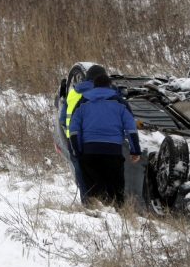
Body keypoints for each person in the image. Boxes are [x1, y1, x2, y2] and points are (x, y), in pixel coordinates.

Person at [68, 74, 141, 206]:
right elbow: (131, 128)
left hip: (89, 152)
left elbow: (74, 130)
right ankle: (117, 216)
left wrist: (78, 151)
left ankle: (97, 217)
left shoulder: (83, 102)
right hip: (113, 153)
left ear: (94, 86)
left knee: (93, 192)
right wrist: (135, 150)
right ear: (110, 86)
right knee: (115, 190)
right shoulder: (120, 102)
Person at [58, 64, 108, 198]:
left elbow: (63, 119)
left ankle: (88, 203)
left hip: (73, 141)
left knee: (82, 174)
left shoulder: (73, 92)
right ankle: (104, 203)